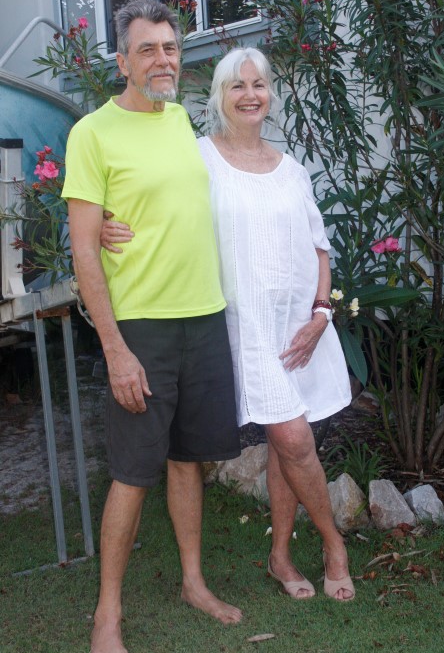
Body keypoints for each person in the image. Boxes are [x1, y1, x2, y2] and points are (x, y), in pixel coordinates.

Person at [102, 46, 355, 603]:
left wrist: (321, 314)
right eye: (236, 85)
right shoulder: (199, 158)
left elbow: (319, 247)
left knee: (282, 439)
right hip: (240, 328)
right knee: (293, 436)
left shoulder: (292, 171)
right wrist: (99, 225)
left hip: (297, 328)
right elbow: (149, 201)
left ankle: (281, 556)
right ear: (219, 96)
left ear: (270, 95)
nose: (249, 94)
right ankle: (334, 544)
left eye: (258, 84)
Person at [62, 0, 242, 653]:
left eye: (169, 47)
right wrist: (115, 350)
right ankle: (107, 612)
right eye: (147, 49)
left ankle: (193, 582)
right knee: (133, 474)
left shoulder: (181, 123)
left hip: (203, 317)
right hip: (141, 328)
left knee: (188, 460)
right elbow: (84, 251)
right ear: (122, 61)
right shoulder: (93, 133)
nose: (162, 59)